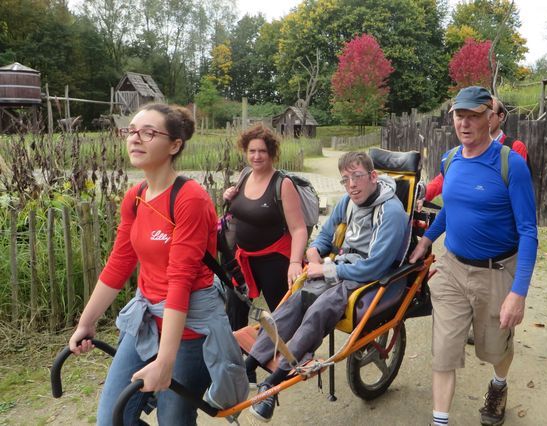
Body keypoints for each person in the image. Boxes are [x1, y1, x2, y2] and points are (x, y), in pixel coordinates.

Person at [68, 103, 248, 425]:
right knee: (111, 419)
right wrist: (87, 321)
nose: (135, 138)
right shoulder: (135, 197)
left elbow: (179, 279)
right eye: (132, 130)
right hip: (146, 322)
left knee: (174, 421)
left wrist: (165, 361)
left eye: (149, 132)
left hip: (189, 330)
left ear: (175, 145)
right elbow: (119, 263)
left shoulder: (189, 198)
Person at [245, 151, 408, 422]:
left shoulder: (390, 212)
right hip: (341, 266)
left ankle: (274, 382)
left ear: (373, 176)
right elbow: (324, 234)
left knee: (319, 309)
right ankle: (250, 363)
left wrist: (327, 268)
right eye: (345, 179)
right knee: (297, 300)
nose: (352, 184)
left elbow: (376, 266)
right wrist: (314, 251)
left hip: (367, 277)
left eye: (357, 176)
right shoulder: (348, 200)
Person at [409, 86, 538, 426]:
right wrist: (427, 241)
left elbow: (528, 232)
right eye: (458, 115)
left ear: (489, 118)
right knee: (444, 351)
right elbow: (451, 209)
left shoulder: (512, 164)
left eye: (473, 116)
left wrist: (518, 293)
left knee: (496, 350)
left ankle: (499, 384)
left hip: (496, 272)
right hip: (452, 268)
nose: (464, 124)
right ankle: (440, 421)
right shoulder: (449, 160)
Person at [222, 124, 308, 339]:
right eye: (252, 151)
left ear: (272, 153)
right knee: (234, 314)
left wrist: (295, 263)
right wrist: (228, 198)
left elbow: (298, 229)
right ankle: (239, 365)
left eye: (262, 151)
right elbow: (238, 213)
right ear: (245, 152)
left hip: (274, 262)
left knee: (283, 317)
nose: (257, 156)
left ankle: (288, 365)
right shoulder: (244, 176)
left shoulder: (283, 184)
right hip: (243, 260)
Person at [423, 96, 529, 203]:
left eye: (490, 114)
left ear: (500, 116)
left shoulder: (514, 147)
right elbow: (446, 176)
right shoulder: (468, 146)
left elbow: (519, 190)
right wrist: (424, 195)